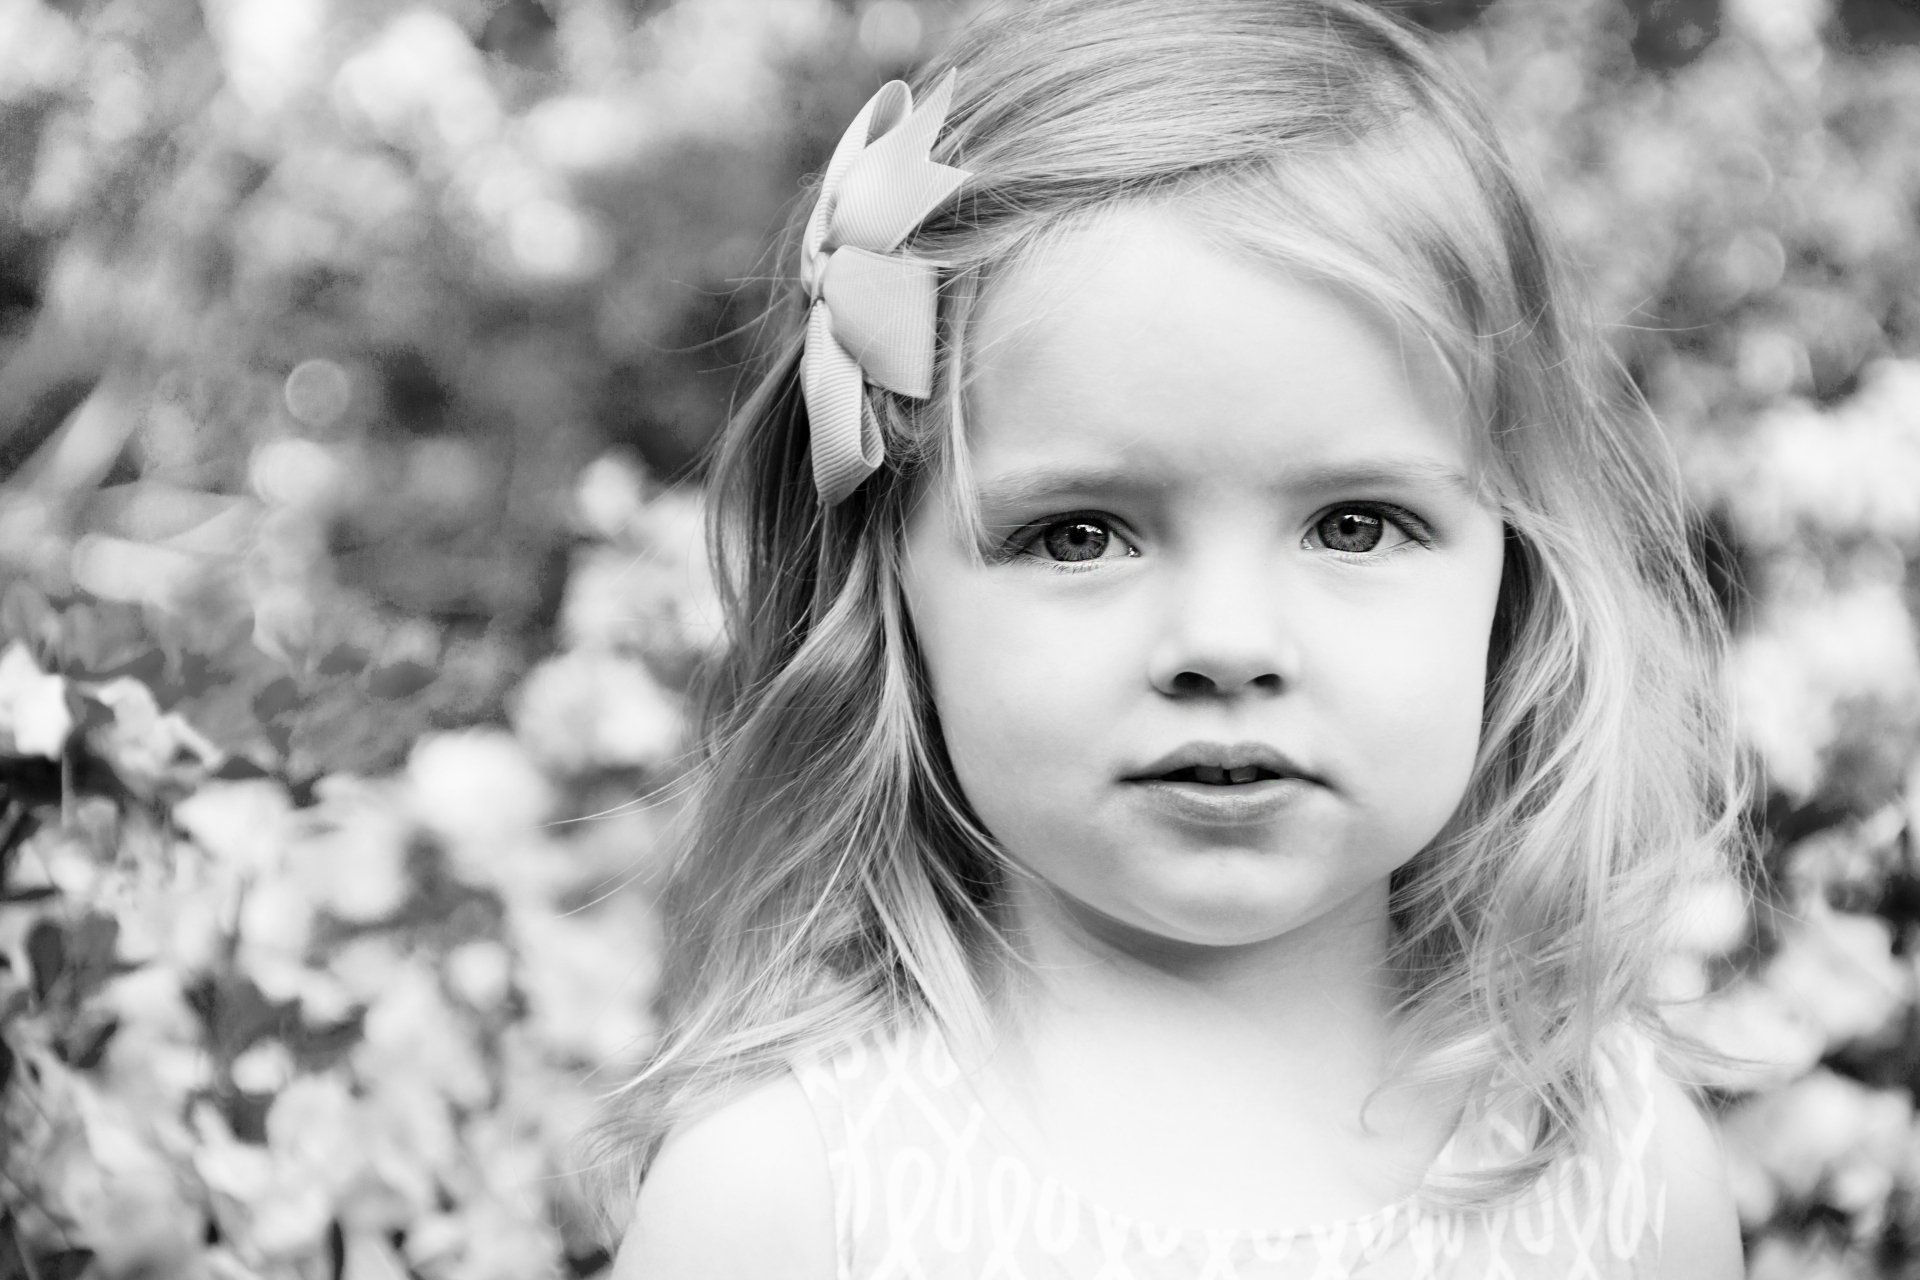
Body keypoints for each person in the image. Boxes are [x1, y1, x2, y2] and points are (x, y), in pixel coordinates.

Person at [594, 1, 1749, 1274]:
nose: (1227, 642)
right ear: (888, 602)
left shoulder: (1627, 1175)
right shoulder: (789, 1190)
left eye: (1356, 525)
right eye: (1081, 534)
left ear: (1519, 576)